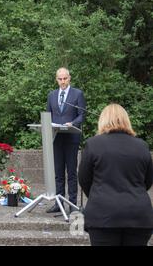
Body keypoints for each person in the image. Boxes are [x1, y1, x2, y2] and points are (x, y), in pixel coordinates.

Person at [79, 104, 153, 246]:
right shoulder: (142, 146)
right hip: (138, 215)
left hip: (103, 214)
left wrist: (98, 195)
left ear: (102, 120)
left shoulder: (93, 144)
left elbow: (84, 179)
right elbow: (148, 180)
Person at [46, 67, 86, 213]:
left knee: (71, 172)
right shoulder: (51, 95)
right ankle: (59, 203)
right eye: (60, 79)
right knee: (58, 172)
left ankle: (73, 204)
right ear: (56, 79)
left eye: (65, 78)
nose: (62, 81)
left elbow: (82, 115)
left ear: (69, 78)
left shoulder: (77, 94)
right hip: (56, 138)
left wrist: (73, 123)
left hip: (71, 137)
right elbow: (48, 115)